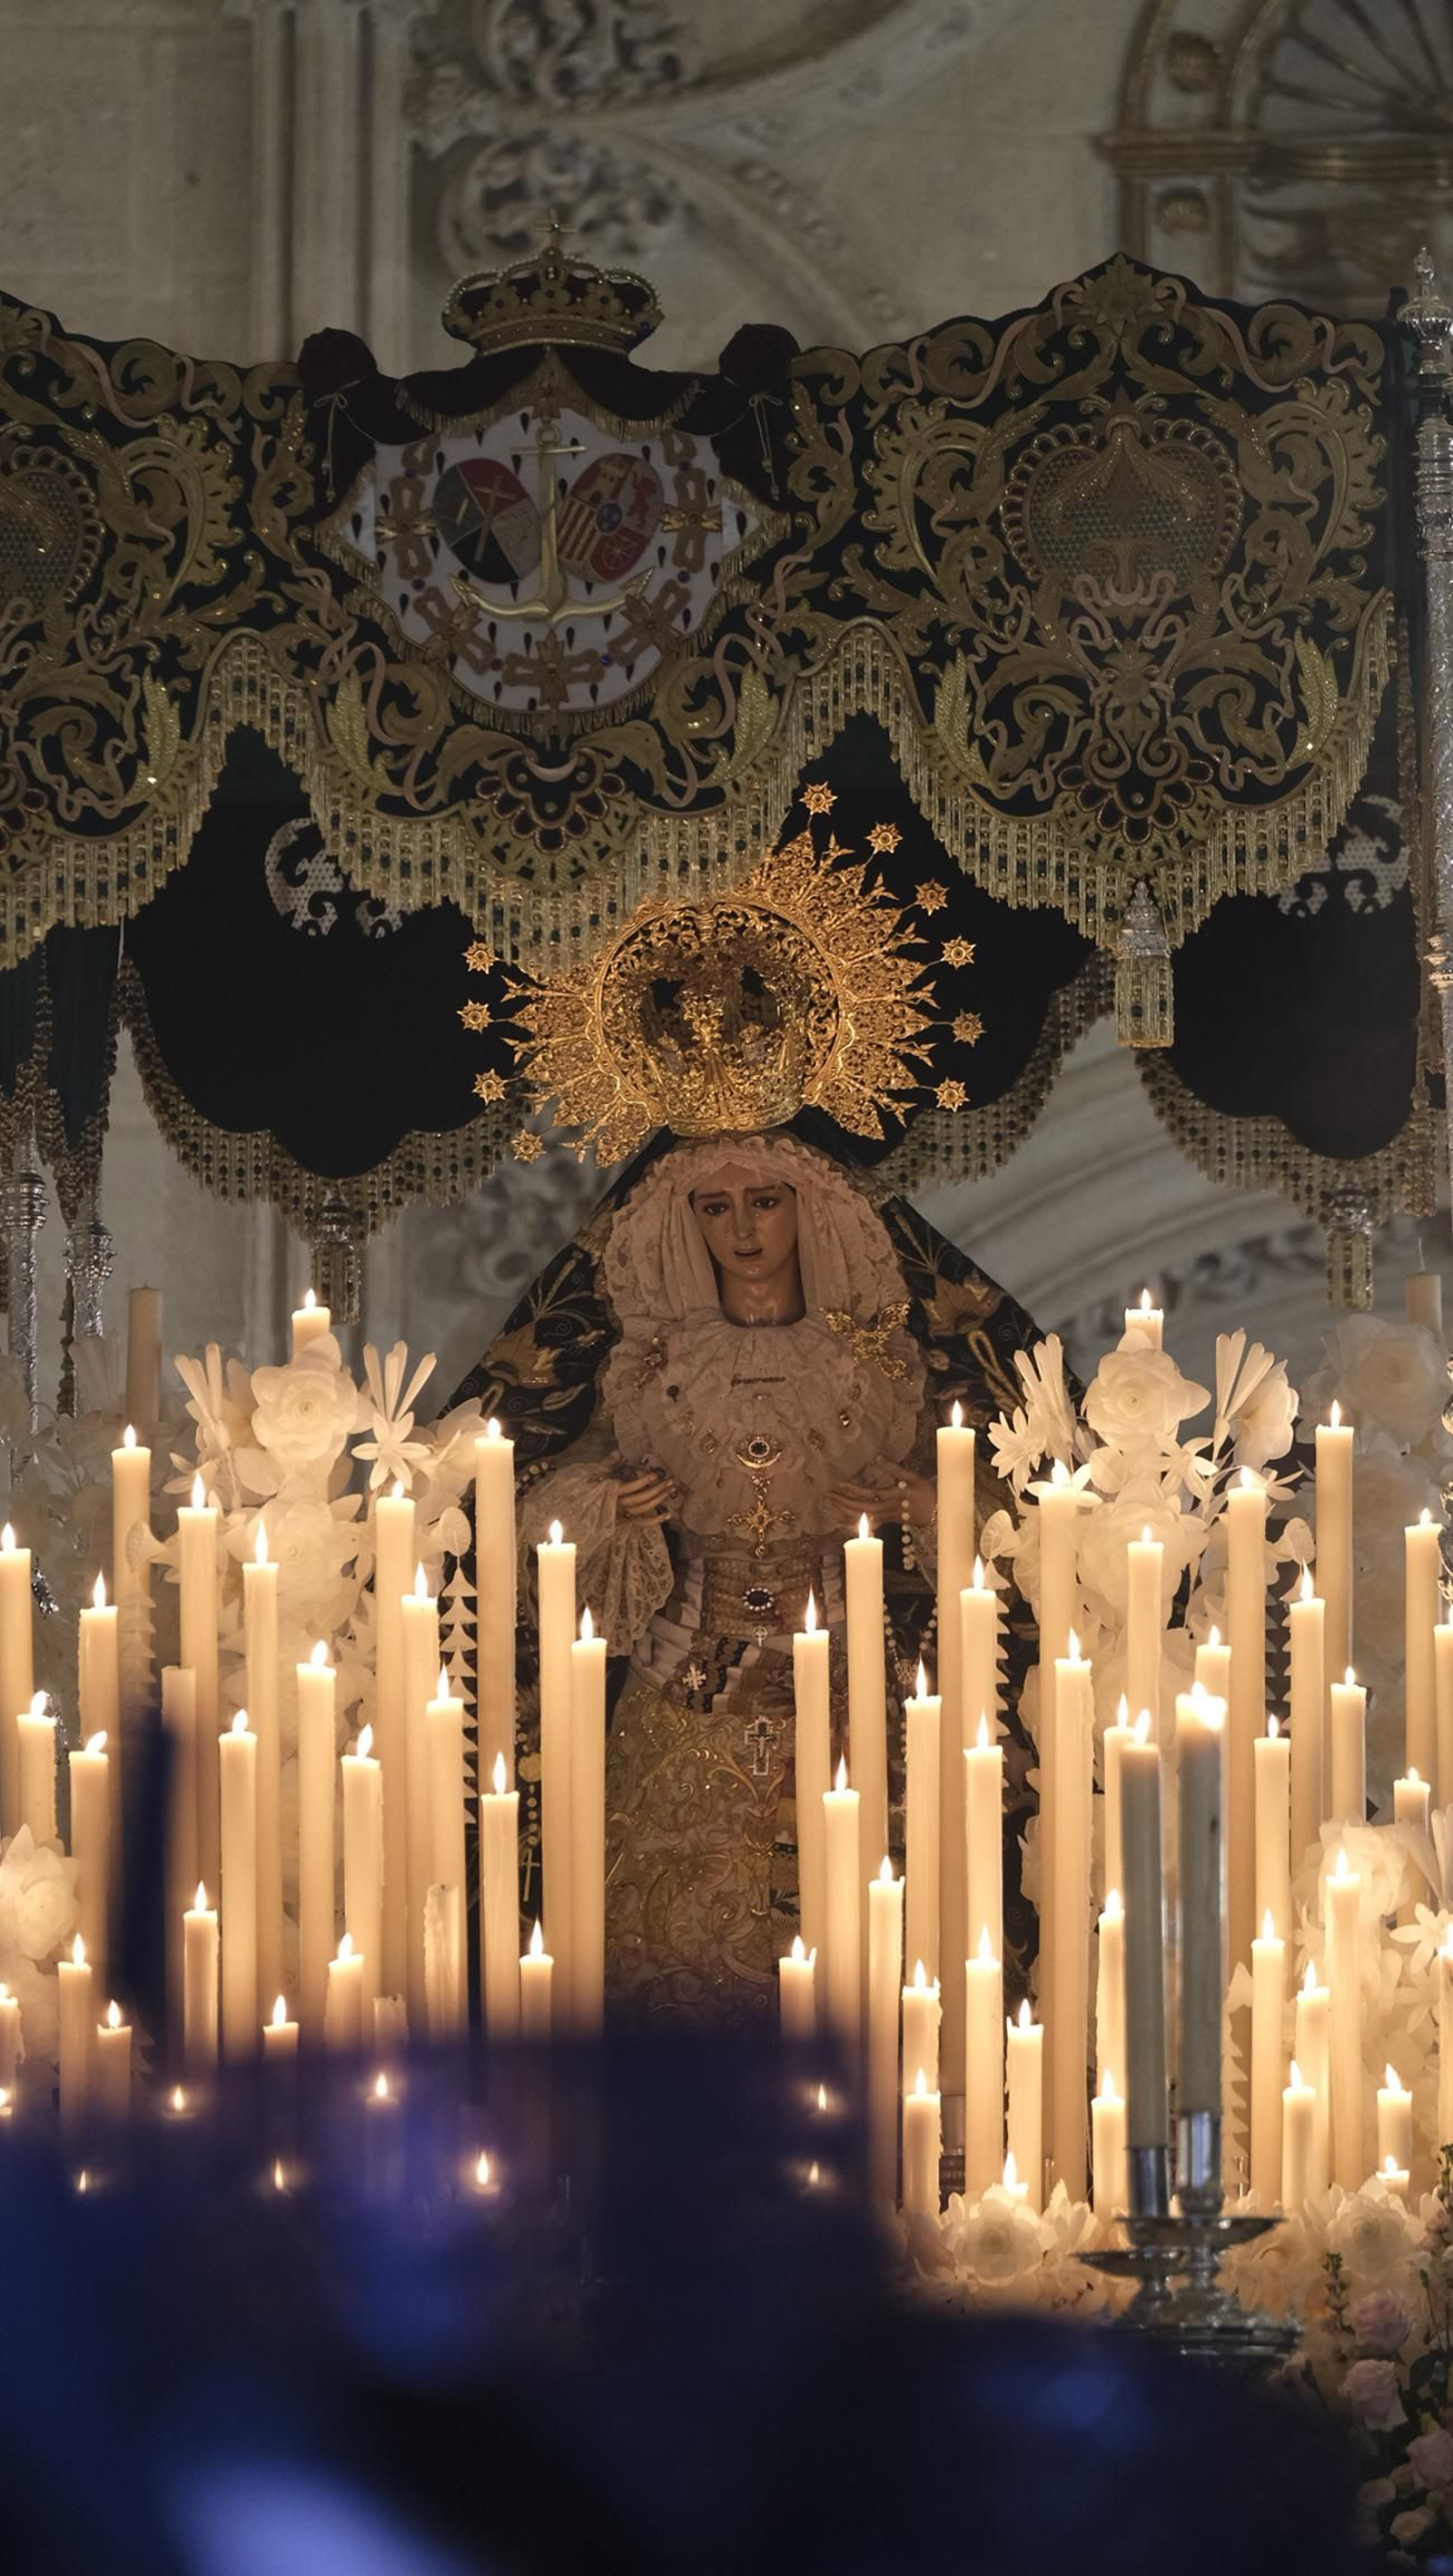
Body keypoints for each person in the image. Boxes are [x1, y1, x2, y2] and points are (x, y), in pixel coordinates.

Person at [453, 819, 1045, 2023]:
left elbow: (1017, 1511)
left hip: (863, 1695)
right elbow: (530, 1502)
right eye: (715, 1207)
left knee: (869, 1962)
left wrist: (924, 1502)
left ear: (810, 1211)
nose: (742, 1229)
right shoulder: (648, 1366)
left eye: (766, 1200)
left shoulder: (878, 1362)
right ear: (681, 1223)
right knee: (672, 1957)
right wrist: (603, 1508)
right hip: (686, 1683)